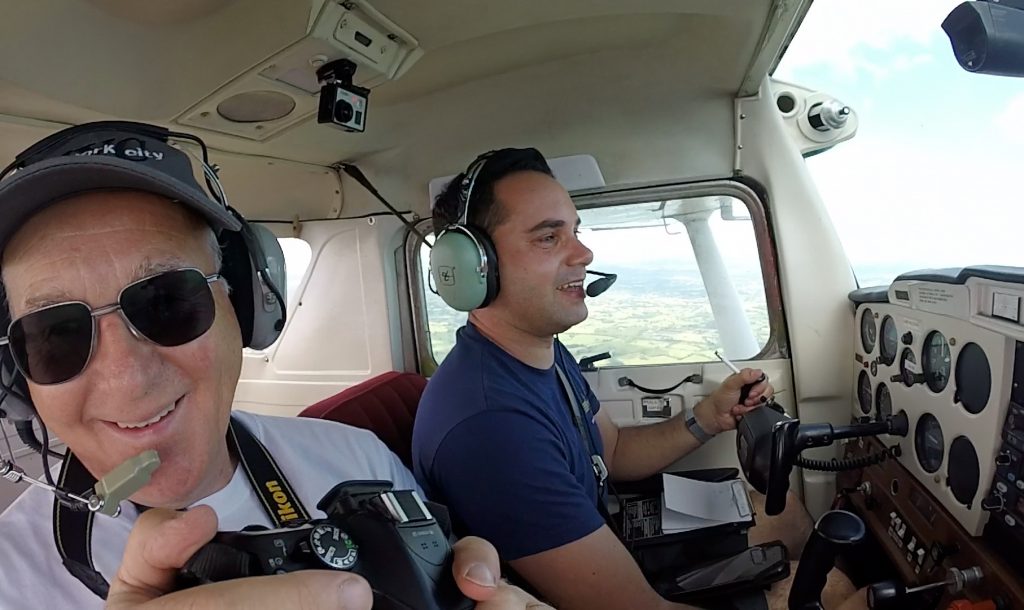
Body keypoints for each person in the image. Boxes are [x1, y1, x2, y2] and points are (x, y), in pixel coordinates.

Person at [0, 122, 544, 609]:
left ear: (247, 305)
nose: (127, 377)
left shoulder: (358, 460)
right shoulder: (10, 575)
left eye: (167, 301)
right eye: (57, 334)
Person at [413, 148, 866, 610]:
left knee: (784, 512)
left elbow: (612, 453)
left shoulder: (540, 352)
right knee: (839, 593)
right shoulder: (492, 426)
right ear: (473, 267)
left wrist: (708, 417)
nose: (584, 253)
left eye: (575, 231)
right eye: (549, 237)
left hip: (609, 538)